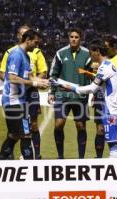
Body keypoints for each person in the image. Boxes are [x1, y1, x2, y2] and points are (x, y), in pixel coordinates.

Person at [61, 39, 117, 158]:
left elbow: (92, 87)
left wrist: (73, 88)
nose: (91, 56)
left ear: (97, 52)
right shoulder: (111, 65)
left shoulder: (104, 67)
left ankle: (112, 174)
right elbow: (99, 86)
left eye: (92, 53)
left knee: (114, 147)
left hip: (111, 111)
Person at [0, 29, 49, 160]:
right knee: (26, 134)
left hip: (19, 101)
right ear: (28, 40)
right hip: (13, 101)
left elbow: (31, 77)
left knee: (14, 135)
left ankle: (1, 161)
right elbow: (12, 78)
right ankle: (30, 167)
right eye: (35, 43)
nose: (37, 46)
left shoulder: (26, 55)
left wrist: (42, 81)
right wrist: (35, 84)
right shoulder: (16, 54)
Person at [48, 28, 92, 159]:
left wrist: (94, 92)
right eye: (71, 37)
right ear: (68, 38)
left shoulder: (87, 54)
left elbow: (93, 75)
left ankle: (81, 158)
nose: (73, 39)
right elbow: (53, 74)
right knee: (58, 125)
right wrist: (51, 92)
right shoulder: (61, 53)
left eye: (76, 37)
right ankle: (60, 156)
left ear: (80, 39)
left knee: (80, 126)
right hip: (62, 95)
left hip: (80, 96)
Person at [89, 35, 117, 158]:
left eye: (106, 46)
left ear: (114, 47)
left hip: (115, 98)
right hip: (100, 96)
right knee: (100, 128)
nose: (104, 48)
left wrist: (114, 76)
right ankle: (99, 159)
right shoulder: (99, 60)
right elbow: (96, 81)